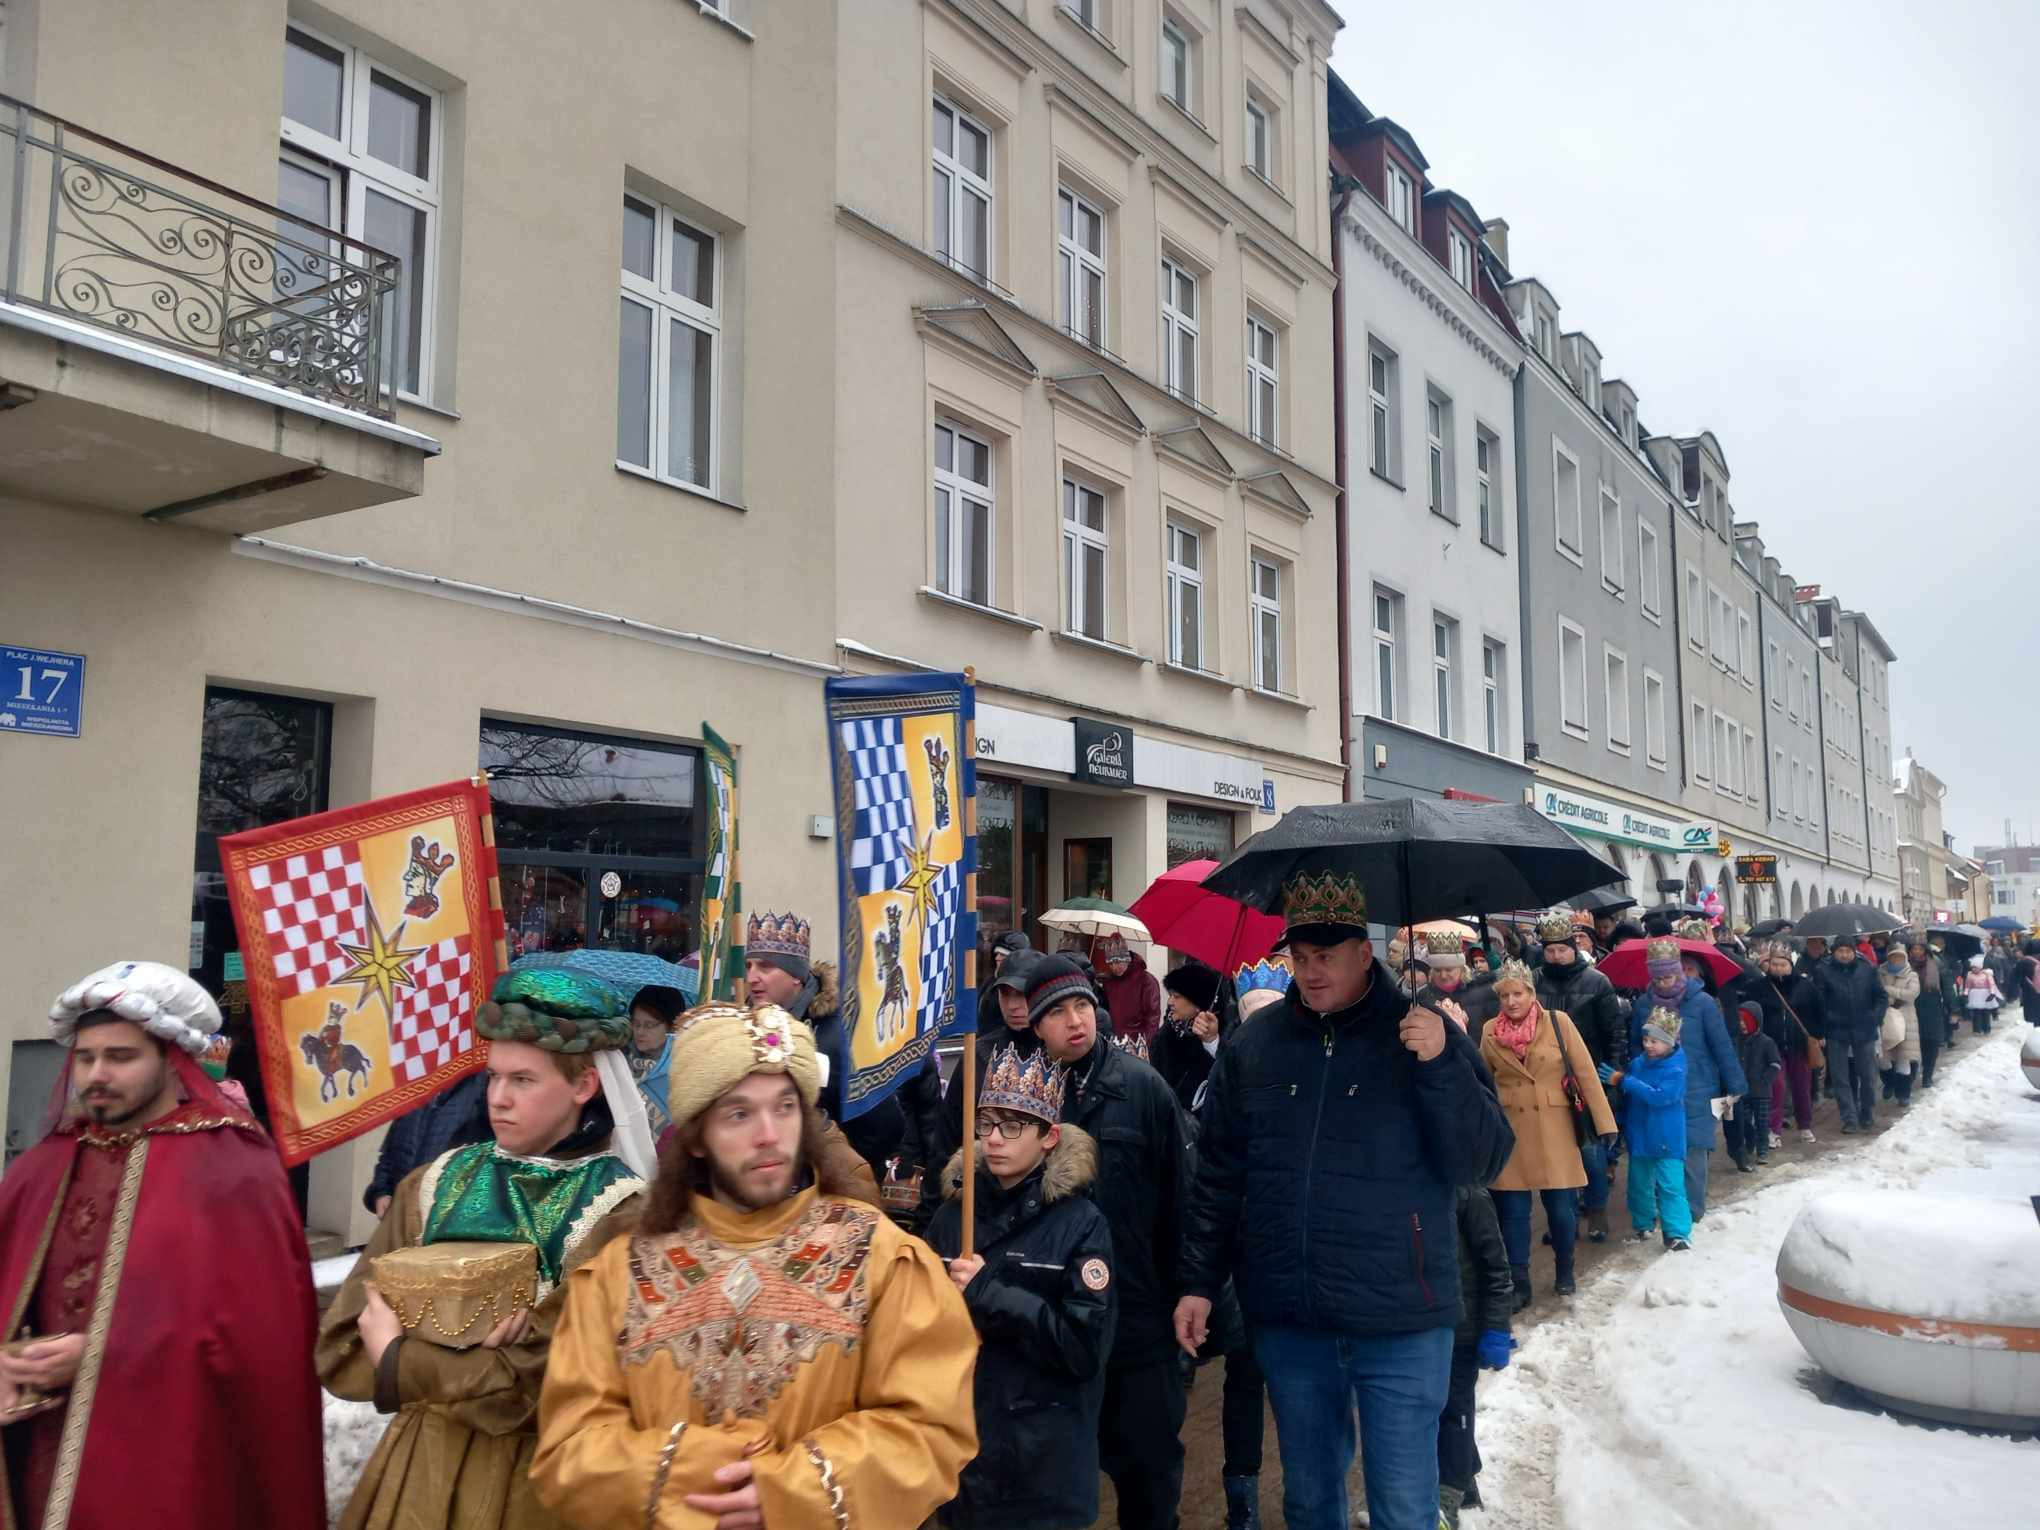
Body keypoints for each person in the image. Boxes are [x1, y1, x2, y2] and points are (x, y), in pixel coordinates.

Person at [530, 1002, 979, 1527]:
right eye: (739, 1114)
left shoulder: (883, 1256)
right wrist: (696, 1472)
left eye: (785, 1108)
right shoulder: (618, 1273)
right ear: (697, 1137)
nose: (769, 1134)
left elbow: (929, 1427)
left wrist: (794, 1489)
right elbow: (570, 1446)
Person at [1175, 872, 1515, 1530]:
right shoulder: (1256, 1046)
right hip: (1293, 1314)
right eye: (1300, 957)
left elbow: (1484, 1162)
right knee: (1309, 1502)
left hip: (1402, 1315)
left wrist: (1442, 1065)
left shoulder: (1423, 1034)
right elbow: (1219, 1175)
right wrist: (1198, 1282)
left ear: (1364, 953)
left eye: (1326, 956)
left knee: (1403, 1506)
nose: (1310, 972)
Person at [320, 971, 653, 1530]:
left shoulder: (621, 1213)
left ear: (584, 1085)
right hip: (419, 1469)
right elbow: (343, 1347)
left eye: (523, 1079)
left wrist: (402, 1356)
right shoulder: (433, 1184)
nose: (498, 1098)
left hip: (539, 1487)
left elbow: (545, 1386)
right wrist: (472, 1357)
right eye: (494, 1076)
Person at [0, 961, 324, 1530]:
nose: (96, 1074)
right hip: (35, 1454)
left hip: (164, 1462)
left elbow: (258, 1343)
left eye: (120, 1057)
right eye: (85, 1058)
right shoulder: (40, 1168)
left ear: (174, 1061)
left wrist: (102, 1356)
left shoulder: (233, 1172)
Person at [1024, 955, 1190, 1530]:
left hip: (1138, 1315)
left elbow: (1183, 1197)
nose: (1075, 1021)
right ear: (1036, 1025)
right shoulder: (1024, 1096)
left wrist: (1191, 1293)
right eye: (1057, 1012)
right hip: (1053, 1319)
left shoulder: (1141, 1087)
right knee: (1058, 1480)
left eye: (1082, 1006)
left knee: (1149, 1473)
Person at [927, 1044, 1116, 1530]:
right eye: (986, 1123)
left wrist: (988, 1292)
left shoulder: (1081, 1224)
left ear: (1049, 1136)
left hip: (1044, 1467)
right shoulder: (952, 1218)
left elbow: (1082, 1349)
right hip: (966, 1460)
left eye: (1013, 1126)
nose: (994, 1139)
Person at [1480, 958, 1617, 1304]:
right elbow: (1482, 1082)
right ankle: (1519, 1283)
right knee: (1513, 1213)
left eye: (1517, 994)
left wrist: (1604, 1122)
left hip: (1555, 1127)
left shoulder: (1558, 1022)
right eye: (1504, 995)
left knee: (1560, 1209)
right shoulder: (1489, 1031)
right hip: (1512, 1130)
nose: (1511, 1001)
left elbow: (1585, 1073)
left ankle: (1565, 1270)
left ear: (1531, 993)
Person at [745, 907, 920, 1177]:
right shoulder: (746, 1029)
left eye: (765, 966)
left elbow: (885, 1126)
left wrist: (836, 1171)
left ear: (796, 976)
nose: (751, 978)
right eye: (748, 966)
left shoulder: (839, 1035)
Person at [1530, 910, 1626, 1243]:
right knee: (1554, 1154)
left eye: (1562, 949)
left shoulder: (1597, 982)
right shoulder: (1533, 982)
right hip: (1545, 1078)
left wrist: (1612, 1076)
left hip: (1586, 1078)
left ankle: (1596, 1210)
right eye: (1550, 950)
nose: (1556, 956)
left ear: (1573, 948)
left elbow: (1614, 1032)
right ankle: (1564, 1219)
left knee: (1590, 1152)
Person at [1630, 937, 1744, 1218]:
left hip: (1698, 1086)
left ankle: (1693, 1211)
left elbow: (1721, 1045)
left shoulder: (1703, 1002)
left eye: (1668, 976)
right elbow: (1635, 1046)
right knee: (1664, 1149)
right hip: (1658, 1088)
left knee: (1694, 1149)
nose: (1664, 983)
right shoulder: (1644, 1005)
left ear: (1679, 972)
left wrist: (1735, 1084)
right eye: (1658, 978)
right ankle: (1670, 1208)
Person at [1436, 1184, 1514, 1530]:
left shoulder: (1468, 1192)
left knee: (1455, 1410)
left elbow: (1496, 1266)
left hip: (1463, 1328)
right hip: (1419, 1324)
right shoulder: (1402, 1182)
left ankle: (1448, 1501)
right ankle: (1464, 1482)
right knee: (1431, 1409)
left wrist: (1496, 1327)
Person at [1598, 1006, 1693, 1250]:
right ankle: (1643, 1224)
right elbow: (1628, 1097)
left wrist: (1624, 1080)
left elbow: (1660, 1097)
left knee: (1670, 1186)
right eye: (1646, 1039)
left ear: (1670, 1042)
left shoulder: (1676, 1068)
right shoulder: (1638, 1064)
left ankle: (1677, 1233)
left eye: (1655, 1041)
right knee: (1638, 1184)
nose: (1649, 1045)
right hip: (1640, 1134)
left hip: (1667, 1137)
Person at [362, 1065, 492, 1216]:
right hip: (403, 1213)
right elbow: (390, 1151)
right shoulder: (415, 1078)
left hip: (449, 1217)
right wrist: (382, 1192)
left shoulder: (482, 1082)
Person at [1815, 938, 1889, 1134]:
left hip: (1864, 1027)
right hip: (1836, 1030)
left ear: (1854, 952)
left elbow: (1881, 997)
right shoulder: (1823, 970)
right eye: (1840, 951)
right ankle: (1849, 1118)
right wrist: (1827, 1019)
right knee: (1840, 1077)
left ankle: (1867, 1113)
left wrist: (1874, 1017)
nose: (1844, 955)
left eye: (1848, 951)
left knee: (1868, 1075)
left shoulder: (1867, 969)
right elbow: (1818, 1000)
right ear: (1834, 952)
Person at [1753, 942, 1822, 1141]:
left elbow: (1818, 1010)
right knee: (1776, 1087)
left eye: (1782, 965)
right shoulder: (1760, 987)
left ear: (1790, 965)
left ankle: (1805, 1125)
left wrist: (1817, 1035)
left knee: (1802, 1086)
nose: (1778, 968)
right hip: (1771, 1045)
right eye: (1774, 964)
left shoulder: (1804, 986)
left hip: (1798, 1044)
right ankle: (1773, 1129)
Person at [1156, 959, 1225, 1113]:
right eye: (1170, 995)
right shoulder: (1167, 1032)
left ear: (1197, 1003)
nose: (1170, 1002)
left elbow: (1224, 1076)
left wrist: (1210, 1042)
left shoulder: (1219, 1033)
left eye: (1176, 996)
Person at [1724, 1000, 1780, 1171]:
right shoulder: (1736, 1041)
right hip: (1743, 1092)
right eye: (1739, 1020)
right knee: (1745, 1121)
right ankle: (1749, 1145)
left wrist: (1765, 1079)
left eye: (1745, 1020)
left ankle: (1762, 1149)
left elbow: (1775, 1064)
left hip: (1762, 1092)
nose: (1742, 1024)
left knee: (1762, 1122)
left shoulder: (1767, 1042)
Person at [1411, 930, 1498, 1037]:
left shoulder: (1482, 991)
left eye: (1449, 970)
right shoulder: (1424, 996)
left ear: (1461, 968)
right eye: (1437, 970)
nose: (1443, 975)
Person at [627, 983, 685, 1138]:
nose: (639, 1032)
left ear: (672, 1027)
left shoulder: (684, 1071)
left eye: (649, 1025)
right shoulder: (623, 1063)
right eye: (636, 1023)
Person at [1092, 933, 1162, 1049]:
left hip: (1137, 1045)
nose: (1114, 967)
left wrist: (1145, 1046)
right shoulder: (1109, 982)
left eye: (1118, 962)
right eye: (1110, 963)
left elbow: (1152, 1019)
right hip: (1113, 1043)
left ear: (1127, 959)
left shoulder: (1146, 981)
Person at [1878, 944, 1922, 1106]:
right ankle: (1889, 1082)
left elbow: (1912, 994)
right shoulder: (1880, 973)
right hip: (1885, 1019)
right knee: (1883, 1059)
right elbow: (1877, 993)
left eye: (1900, 956)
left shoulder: (1912, 975)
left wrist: (1888, 990)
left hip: (1906, 1020)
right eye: (1893, 956)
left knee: (1904, 1058)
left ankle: (1903, 1094)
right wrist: (1893, 996)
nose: (1896, 959)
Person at [1960, 952, 2003, 1036]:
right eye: (1972, 967)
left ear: (1980, 967)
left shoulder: (1987, 975)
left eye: (1975, 967)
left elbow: (1992, 985)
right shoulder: (1970, 975)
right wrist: (1965, 993)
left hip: (1985, 994)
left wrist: (1992, 993)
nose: (1973, 969)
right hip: (1975, 995)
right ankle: (1977, 1029)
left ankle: (1986, 1029)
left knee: (1986, 1012)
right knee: (1976, 1013)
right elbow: (1967, 986)